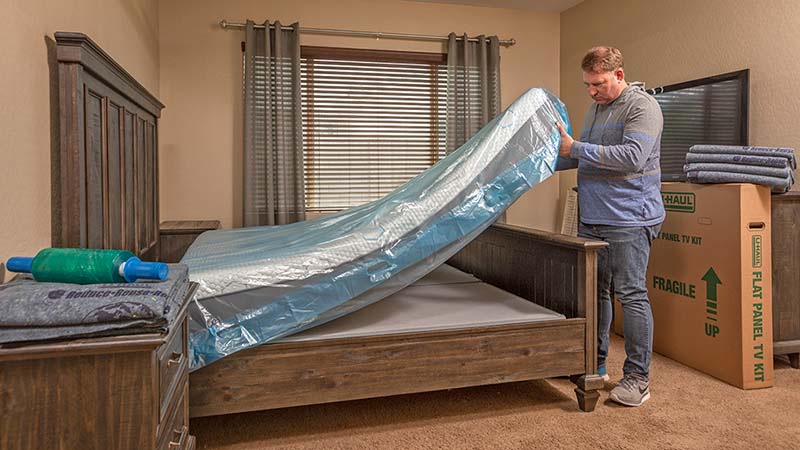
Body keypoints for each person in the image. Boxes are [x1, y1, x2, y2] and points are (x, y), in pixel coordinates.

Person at [555, 46, 664, 407]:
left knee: (630, 293)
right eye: (587, 84)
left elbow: (632, 158)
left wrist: (576, 148)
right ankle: (595, 365)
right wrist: (547, 160)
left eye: (598, 83)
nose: (591, 91)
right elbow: (586, 156)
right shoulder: (597, 108)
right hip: (594, 217)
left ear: (618, 75)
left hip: (629, 218)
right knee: (596, 294)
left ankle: (637, 379)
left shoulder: (642, 106)